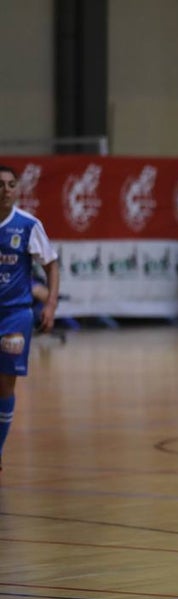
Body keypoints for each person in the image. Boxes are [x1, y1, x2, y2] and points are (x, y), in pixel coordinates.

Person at [0, 165, 60, 473]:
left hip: (15, 314)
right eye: (1, 184)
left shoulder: (27, 225)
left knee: (6, 384)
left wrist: (50, 304)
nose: (7, 189)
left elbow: (51, 263)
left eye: (12, 184)